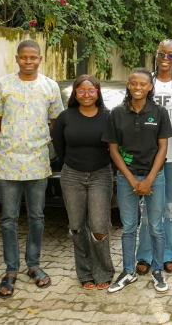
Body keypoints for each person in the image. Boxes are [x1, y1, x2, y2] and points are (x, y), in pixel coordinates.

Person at [0, 40, 63, 299]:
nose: (28, 61)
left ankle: (33, 265)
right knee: (9, 218)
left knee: (36, 216)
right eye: (23, 57)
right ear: (17, 58)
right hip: (8, 161)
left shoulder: (50, 86)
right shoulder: (2, 84)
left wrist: (39, 139)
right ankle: (11, 270)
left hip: (37, 161)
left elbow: (55, 119)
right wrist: (12, 141)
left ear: (40, 59)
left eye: (33, 57)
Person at [102, 68, 172, 294]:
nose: (138, 87)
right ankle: (128, 271)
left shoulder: (159, 112)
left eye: (143, 84)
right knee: (129, 227)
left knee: (156, 227)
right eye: (134, 83)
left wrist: (149, 179)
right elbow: (113, 150)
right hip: (127, 177)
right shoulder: (117, 113)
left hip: (155, 177)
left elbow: (163, 148)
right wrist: (132, 180)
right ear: (128, 85)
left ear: (150, 87)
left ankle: (157, 270)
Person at [135, 40, 172, 276]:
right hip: (149, 155)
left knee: (170, 208)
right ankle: (145, 254)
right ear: (156, 55)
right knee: (148, 208)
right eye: (162, 54)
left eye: (171, 55)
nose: (165, 59)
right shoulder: (146, 80)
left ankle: (169, 254)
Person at [52, 75, 114, 290]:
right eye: (81, 90)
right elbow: (58, 144)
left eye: (91, 90)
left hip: (100, 175)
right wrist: (70, 164)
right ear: (75, 93)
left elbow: (115, 146)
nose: (86, 95)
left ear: (97, 93)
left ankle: (103, 271)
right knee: (77, 227)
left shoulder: (108, 116)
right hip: (72, 176)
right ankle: (85, 273)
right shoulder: (65, 117)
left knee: (99, 227)